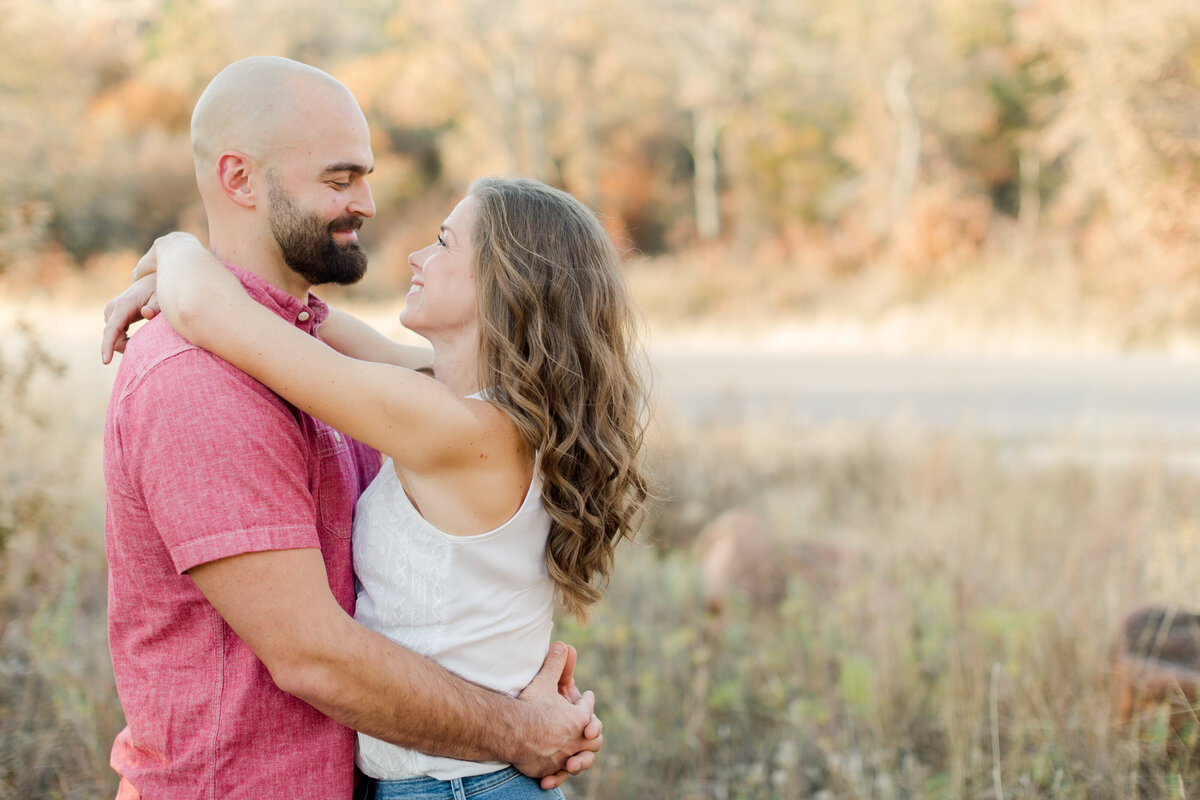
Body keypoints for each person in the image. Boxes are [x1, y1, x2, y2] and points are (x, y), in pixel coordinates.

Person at [99, 57, 602, 800]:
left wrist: (179, 255)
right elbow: (314, 656)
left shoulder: (411, 402)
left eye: (365, 176)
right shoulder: (201, 381)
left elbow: (271, 322)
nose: (369, 206)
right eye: (340, 179)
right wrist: (516, 731)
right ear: (237, 179)